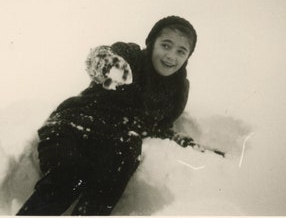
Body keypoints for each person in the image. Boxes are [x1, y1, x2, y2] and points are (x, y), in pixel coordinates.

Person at [16, 15, 199, 216]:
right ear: (152, 43)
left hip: (114, 143)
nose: (171, 56)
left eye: (181, 51)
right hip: (73, 126)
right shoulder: (131, 56)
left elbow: (160, 125)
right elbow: (99, 57)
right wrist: (109, 64)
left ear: (188, 56)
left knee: (115, 171)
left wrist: (184, 142)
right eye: (166, 45)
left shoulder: (179, 89)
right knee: (67, 178)